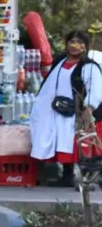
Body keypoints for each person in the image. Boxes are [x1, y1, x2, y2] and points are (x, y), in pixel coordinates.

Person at [30, 31, 102, 187]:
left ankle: (89, 180)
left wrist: (88, 109)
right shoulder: (60, 62)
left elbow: (95, 89)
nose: (75, 46)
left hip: (78, 112)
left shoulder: (89, 67)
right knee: (63, 143)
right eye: (72, 42)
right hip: (59, 111)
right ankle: (67, 176)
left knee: (82, 145)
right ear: (67, 44)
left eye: (80, 42)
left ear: (85, 46)